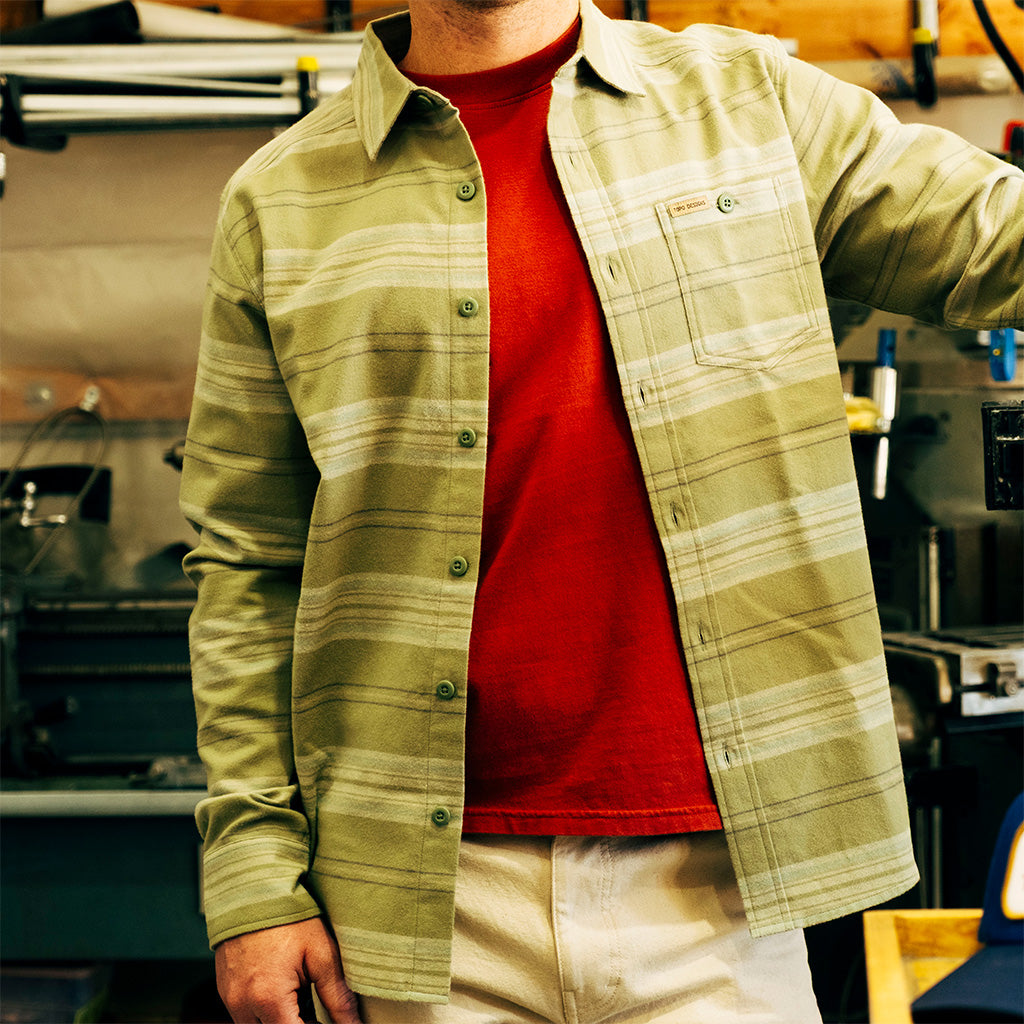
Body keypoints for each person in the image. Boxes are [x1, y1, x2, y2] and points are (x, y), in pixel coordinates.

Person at [178, 0, 1024, 1021]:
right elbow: (245, 564)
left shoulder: (754, 106)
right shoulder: (279, 200)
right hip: (417, 903)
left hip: (720, 892)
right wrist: (254, 880)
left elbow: (998, 243)